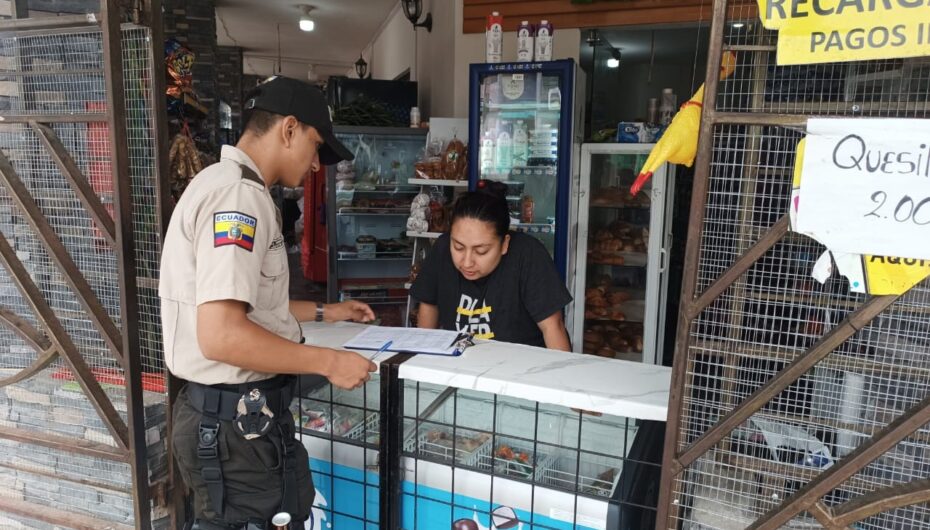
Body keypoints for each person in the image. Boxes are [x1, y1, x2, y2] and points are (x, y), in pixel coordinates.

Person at [159, 76, 377, 530]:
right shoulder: (238, 198)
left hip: (231, 422)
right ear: (290, 129)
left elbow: (247, 303)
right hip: (234, 430)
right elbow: (221, 334)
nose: (317, 164)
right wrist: (326, 362)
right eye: (316, 147)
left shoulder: (225, 183)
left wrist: (326, 312)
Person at [410, 181, 573, 350]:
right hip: (460, 365)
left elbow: (553, 327)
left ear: (504, 244)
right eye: (458, 247)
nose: (466, 262)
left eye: (481, 251)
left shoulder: (528, 255)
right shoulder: (442, 249)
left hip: (520, 369)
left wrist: (561, 376)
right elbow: (429, 305)